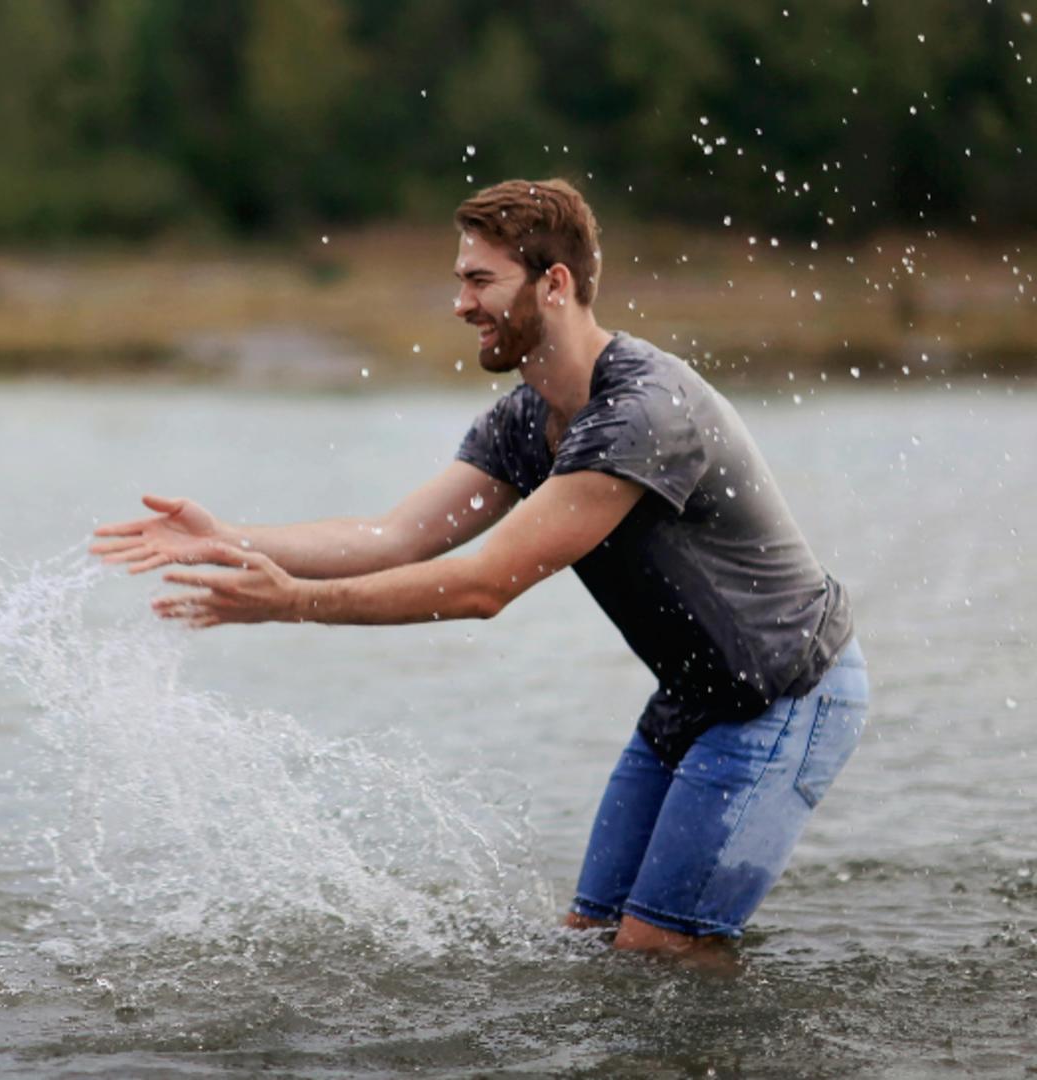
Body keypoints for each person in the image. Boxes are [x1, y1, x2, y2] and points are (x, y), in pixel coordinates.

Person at [91, 179, 866, 961]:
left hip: (783, 691)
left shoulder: (641, 412)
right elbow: (395, 536)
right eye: (460, 281)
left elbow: (483, 584)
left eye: (479, 281)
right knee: (592, 942)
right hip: (693, 697)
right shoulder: (526, 417)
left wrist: (292, 601)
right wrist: (232, 538)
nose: (460, 304)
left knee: (659, 948)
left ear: (554, 284)